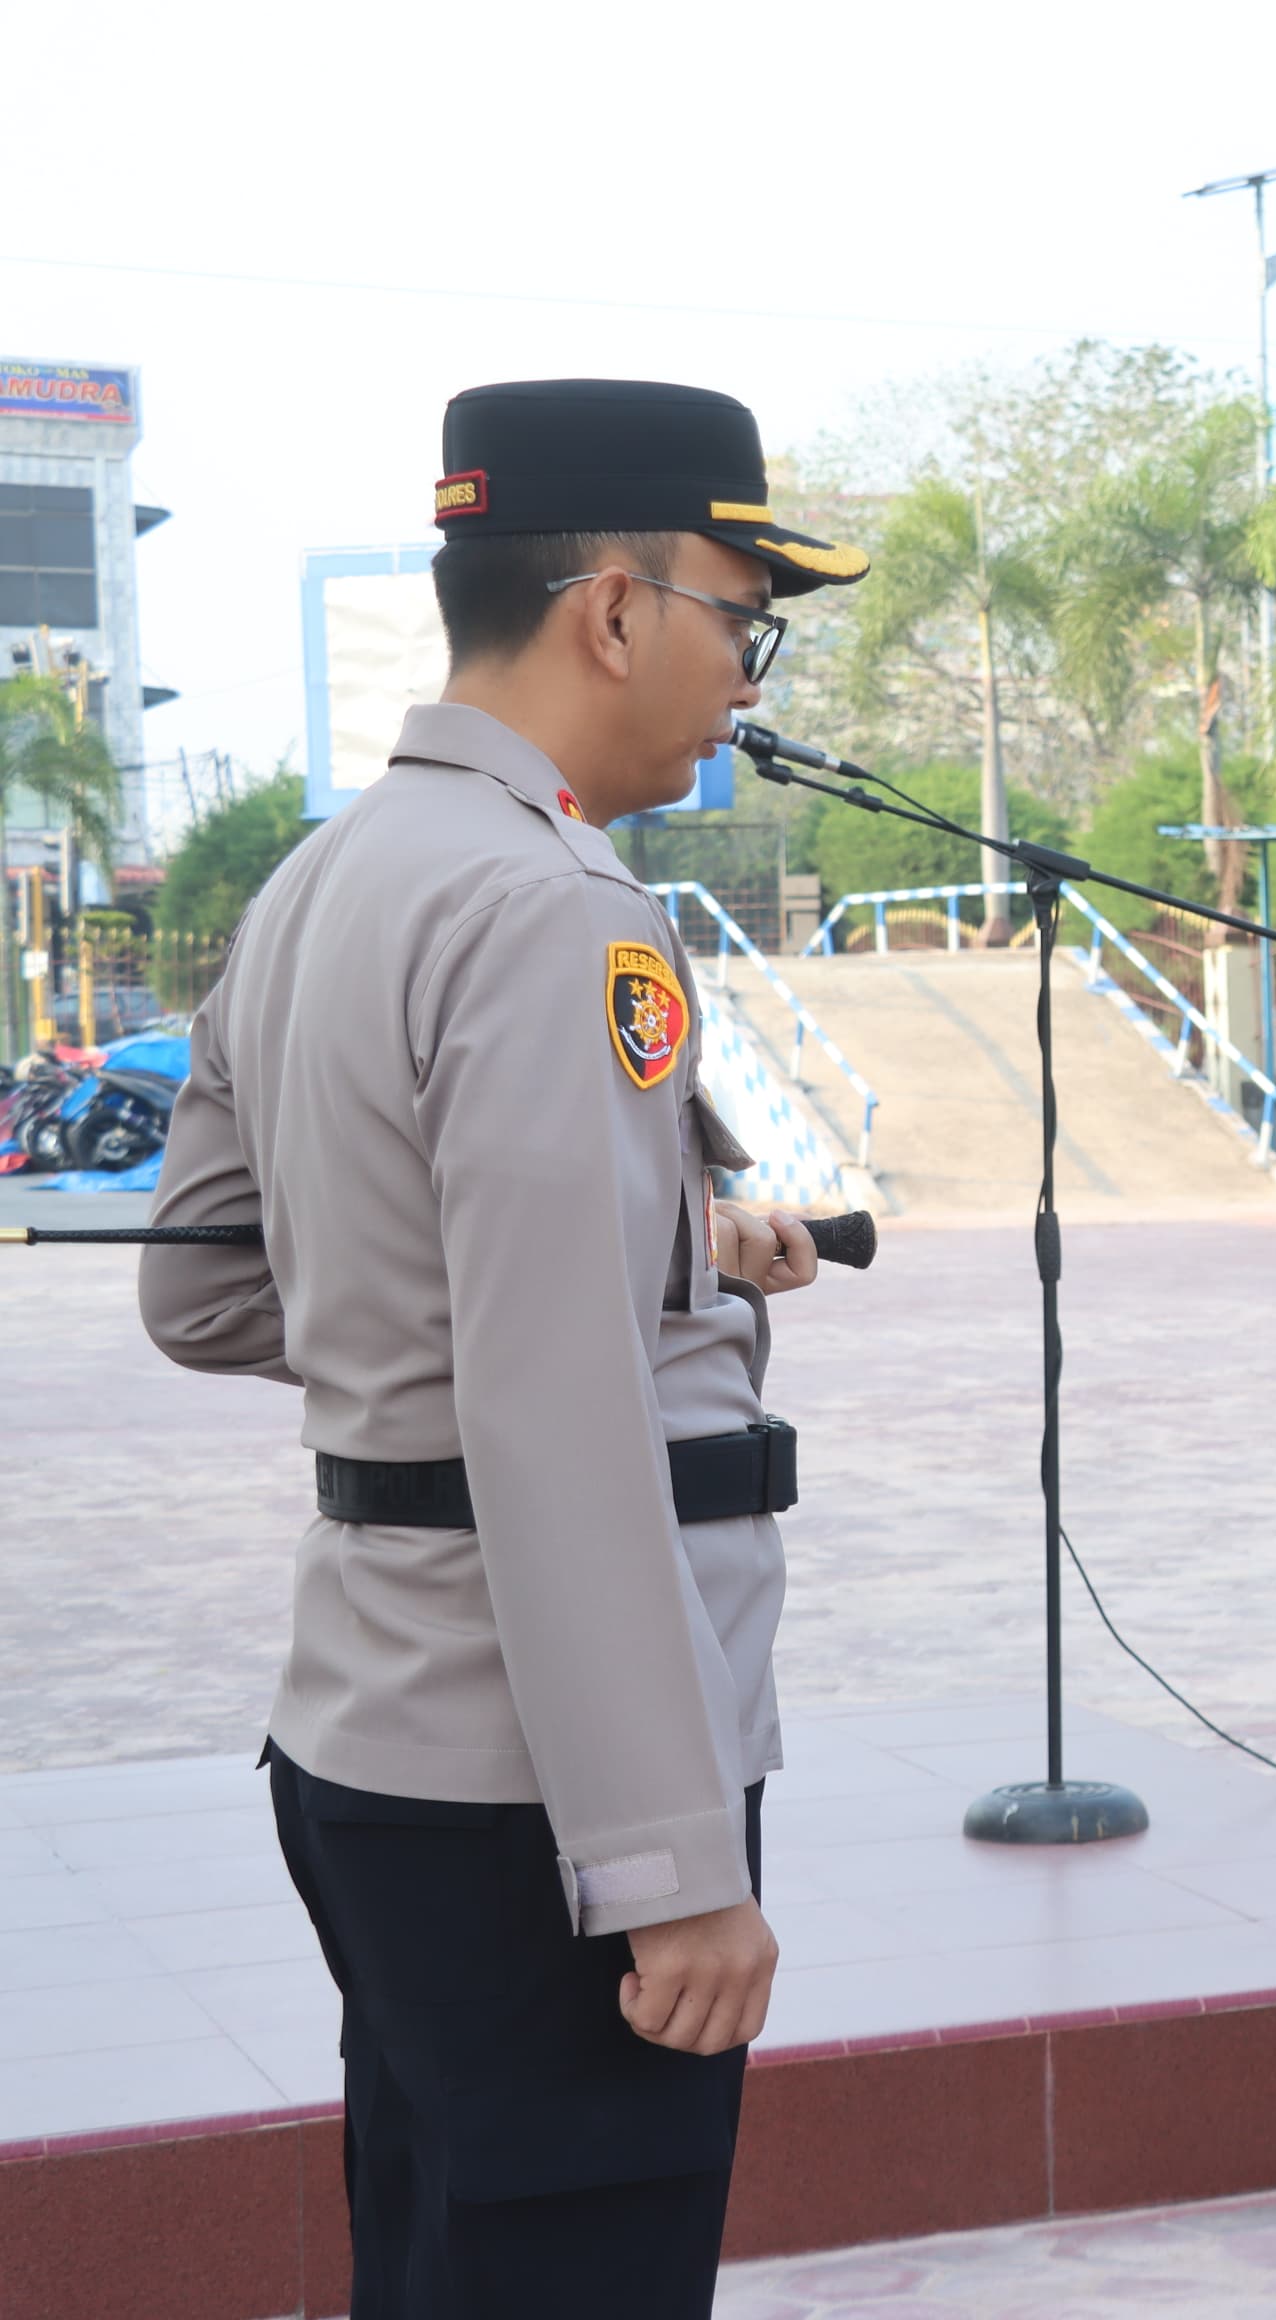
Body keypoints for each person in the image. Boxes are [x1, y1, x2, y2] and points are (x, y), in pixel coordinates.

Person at [135, 380, 862, 2317]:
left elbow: (203, 1283)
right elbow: (554, 1408)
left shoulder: (319, 882)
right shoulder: (558, 912)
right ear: (613, 610)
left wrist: (605, 1259)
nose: (745, 671)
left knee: (445, 2257)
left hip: (374, 1733)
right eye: (740, 614)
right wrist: (670, 1857)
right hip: (545, 1792)